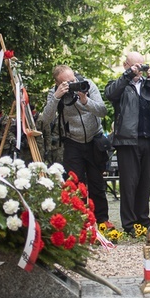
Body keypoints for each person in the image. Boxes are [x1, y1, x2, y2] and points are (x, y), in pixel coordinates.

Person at [105, 52, 150, 237]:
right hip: (127, 139)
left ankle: (143, 220)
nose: (140, 69)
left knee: (145, 182)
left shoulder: (149, 84)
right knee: (129, 183)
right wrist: (127, 76)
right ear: (126, 64)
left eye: (142, 65)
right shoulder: (120, 84)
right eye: (136, 66)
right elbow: (110, 94)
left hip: (149, 139)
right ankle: (129, 223)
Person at [41, 65, 111, 227]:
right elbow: (46, 119)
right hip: (73, 142)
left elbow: (102, 111)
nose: (73, 83)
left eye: (73, 79)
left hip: (95, 139)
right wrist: (57, 97)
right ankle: (78, 222)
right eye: (68, 82)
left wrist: (85, 100)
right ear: (58, 84)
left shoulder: (87, 84)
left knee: (96, 183)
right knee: (74, 185)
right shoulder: (55, 93)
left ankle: (102, 220)